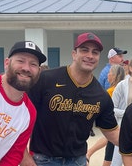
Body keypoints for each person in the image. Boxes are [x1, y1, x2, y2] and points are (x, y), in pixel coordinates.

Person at [20, 32, 120, 166]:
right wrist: (25, 158)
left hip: (77, 161)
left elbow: (112, 131)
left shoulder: (100, 95)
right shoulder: (46, 79)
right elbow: (18, 119)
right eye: (84, 50)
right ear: (74, 54)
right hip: (43, 160)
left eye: (95, 52)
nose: (90, 56)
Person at [87, 64, 125, 166]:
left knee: (110, 155)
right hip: (117, 127)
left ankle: (89, 152)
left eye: (109, 73)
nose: (107, 75)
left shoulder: (112, 91)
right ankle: (89, 152)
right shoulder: (121, 88)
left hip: (116, 126)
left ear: (114, 75)